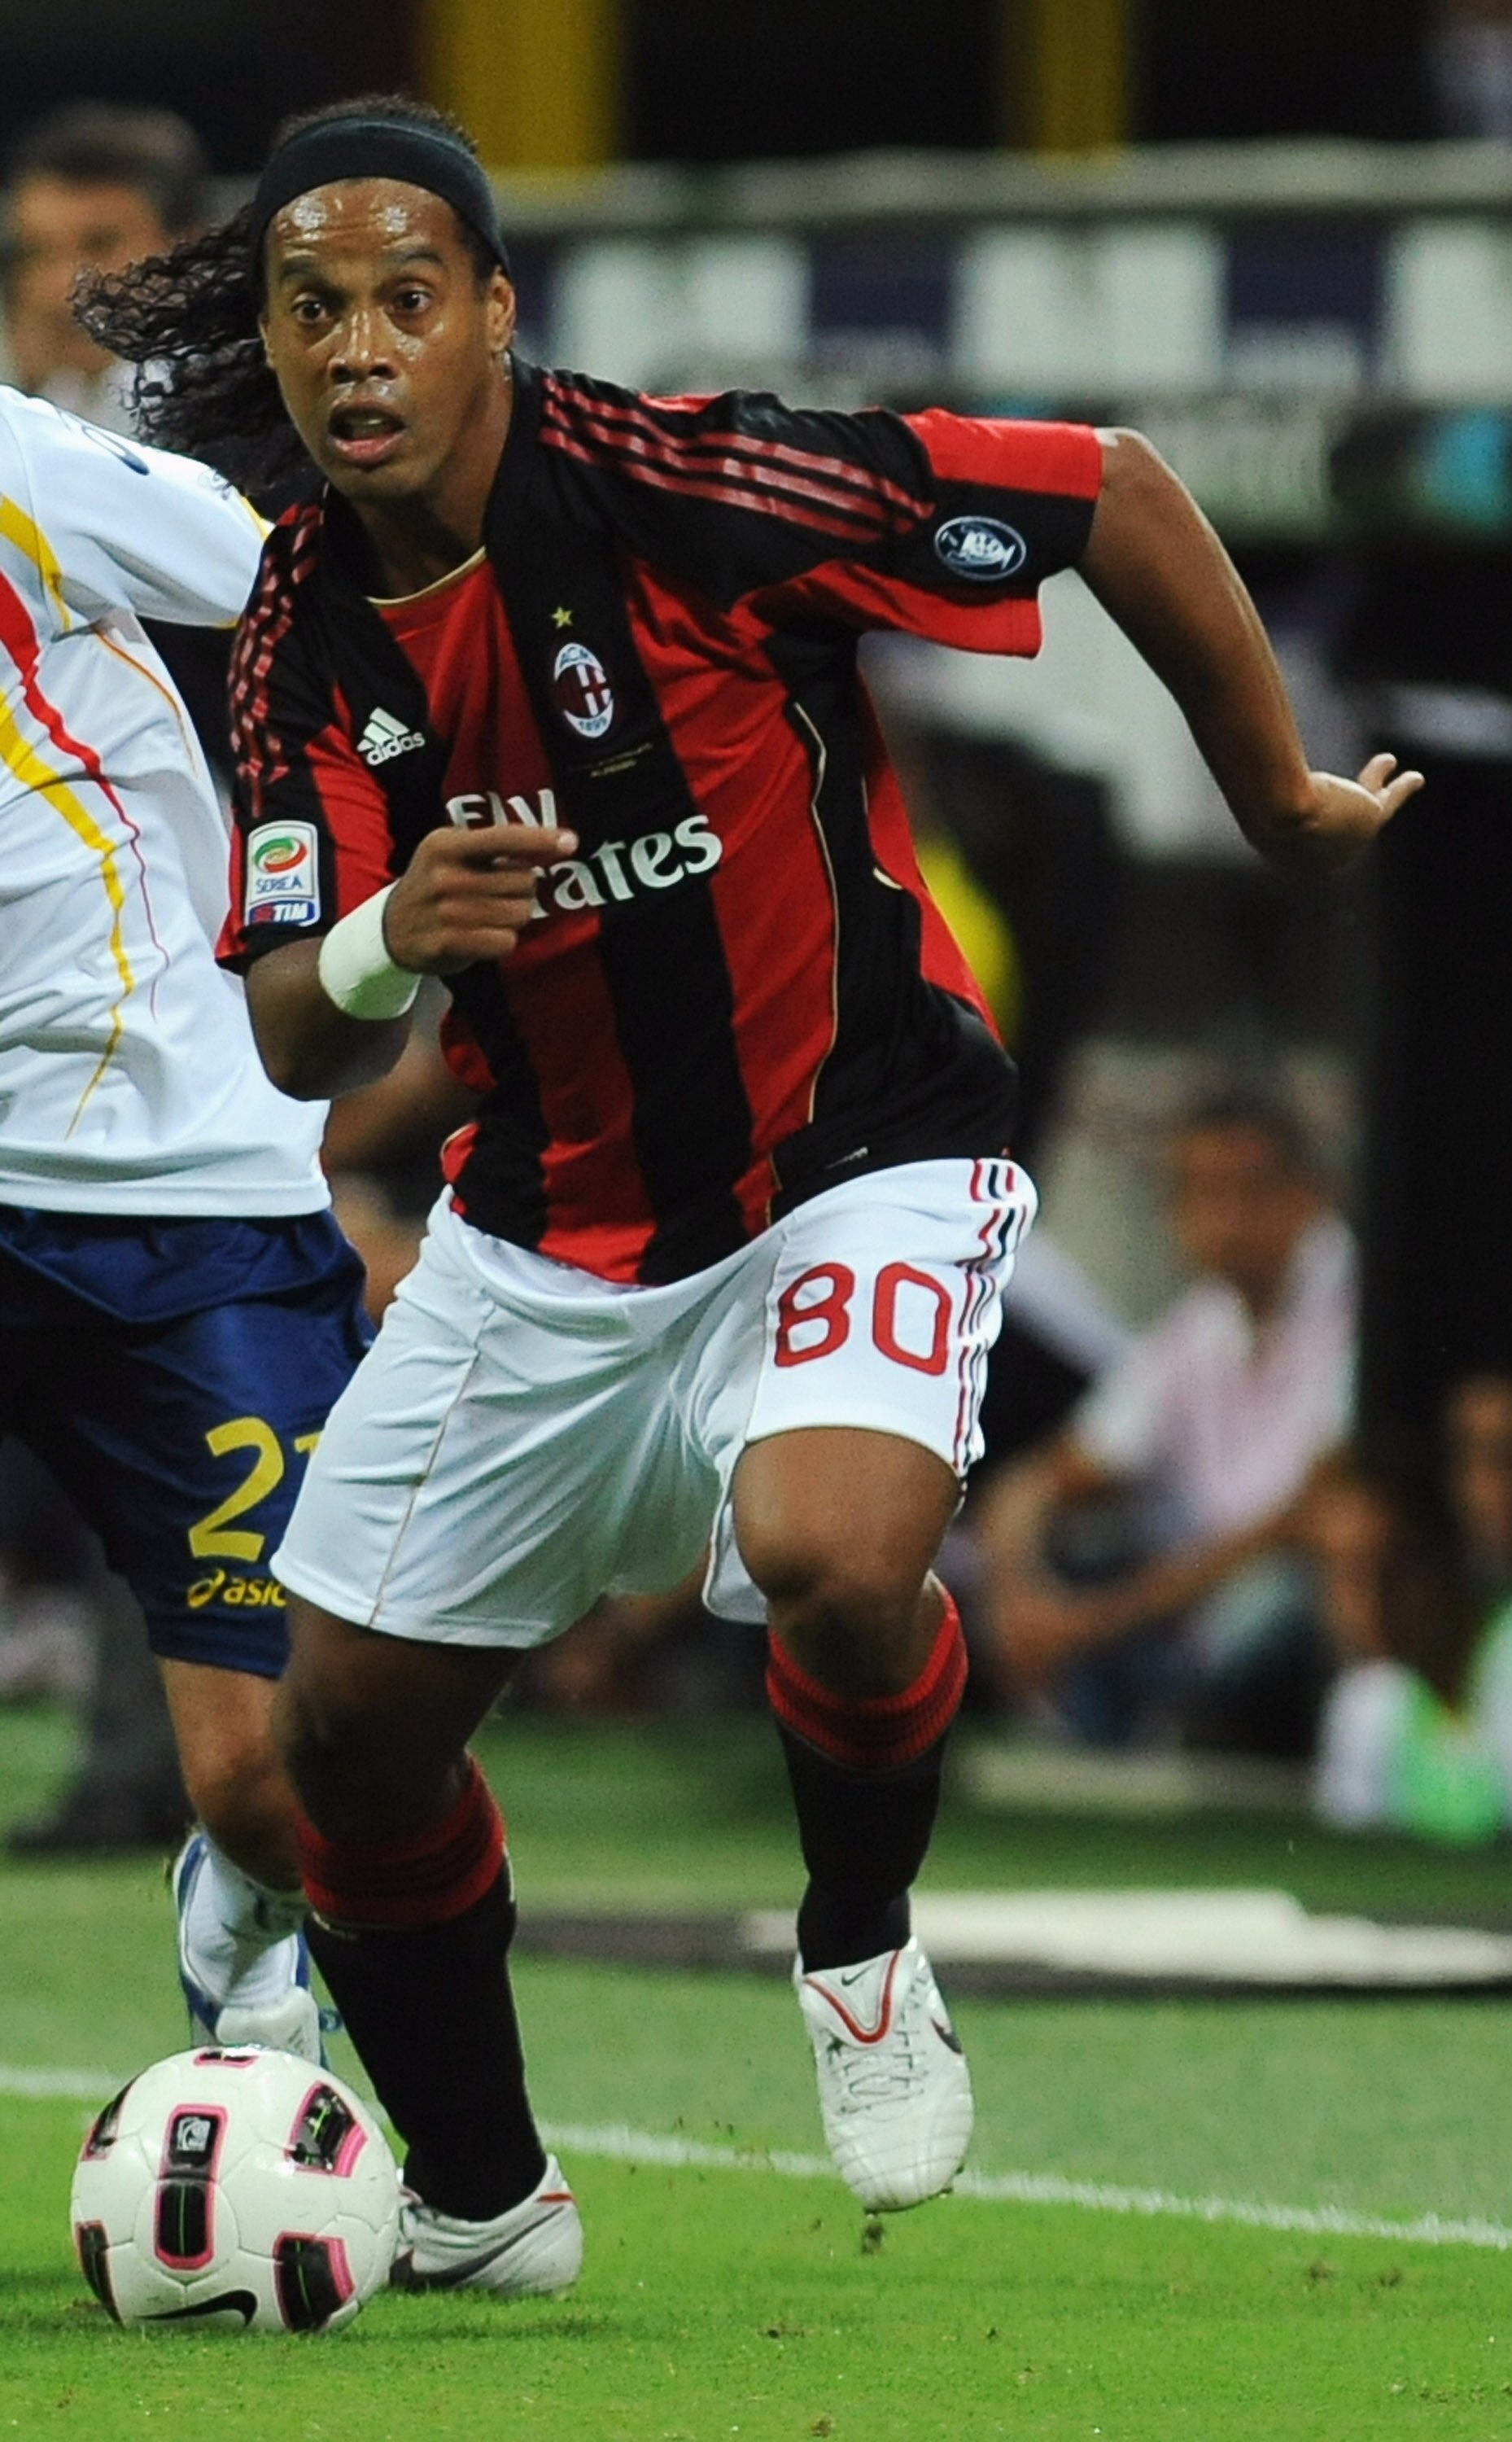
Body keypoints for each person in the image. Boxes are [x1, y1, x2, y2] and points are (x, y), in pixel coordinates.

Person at [85, 90, 1421, 2295]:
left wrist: (1270, 794)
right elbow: (294, 1032)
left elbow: (1105, 488)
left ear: (492, 316)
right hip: (545, 1225)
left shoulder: (690, 486)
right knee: (343, 1744)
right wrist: (388, 934)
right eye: (309, 310)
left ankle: (864, 1948)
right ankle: (487, 2199)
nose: (353, 353)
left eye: (404, 301)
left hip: (857, 1147)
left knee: (828, 1545)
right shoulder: (295, 624)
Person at [0, 383, 369, 2039]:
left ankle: (246, 1910)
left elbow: (309, 572)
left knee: (281, 1784)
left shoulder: (24, 471)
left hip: (185, 1195)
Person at [973, 1095, 1357, 1750]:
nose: (1227, 1219)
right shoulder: (1199, 1327)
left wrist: (1097, 1620)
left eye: (1250, 1191)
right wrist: (1022, 1596)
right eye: (1204, 1193)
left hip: (1273, 1602)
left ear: (1310, 1195)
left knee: (1280, 1603)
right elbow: (1039, 1484)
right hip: (1180, 1602)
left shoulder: (1354, 1307)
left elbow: (1300, 1521)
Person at [1309, 1451, 1512, 1843]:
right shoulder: (1366, 1703)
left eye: (1391, 1569)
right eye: (1345, 1576)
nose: (1374, 1603)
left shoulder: (1504, 1649)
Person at [2, 102, 208, 427]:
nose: (59, 289)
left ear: (185, 252)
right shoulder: (54, 399)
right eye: (35, 252)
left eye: (99, 246)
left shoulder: (250, 412)